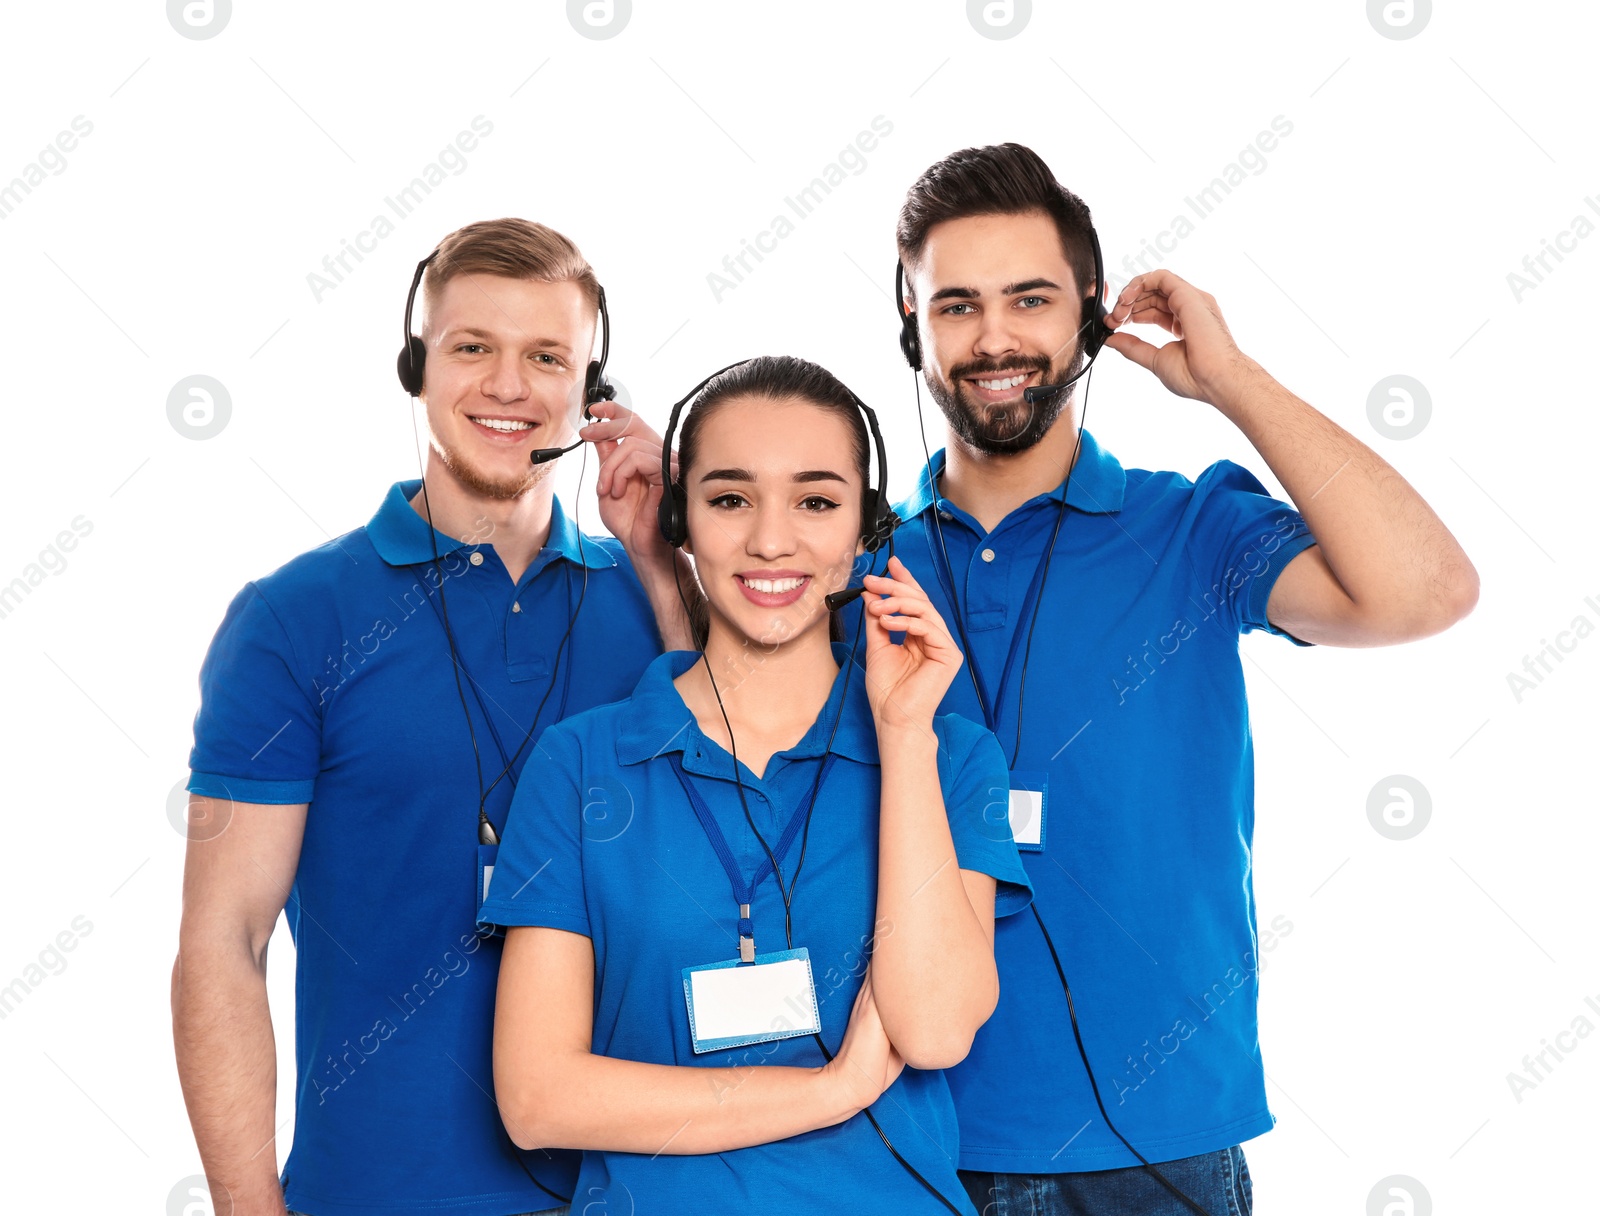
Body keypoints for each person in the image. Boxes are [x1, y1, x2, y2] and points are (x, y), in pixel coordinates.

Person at [881, 145, 1479, 1215]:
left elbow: (1425, 591)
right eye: (956, 305)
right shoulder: (849, 563)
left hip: (1158, 1151)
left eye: (1031, 298)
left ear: (1093, 319)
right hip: (909, 1135)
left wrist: (1229, 383)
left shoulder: (1193, 524)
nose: (994, 337)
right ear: (910, 329)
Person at [172, 217, 694, 1216]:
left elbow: (724, 843)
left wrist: (666, 569)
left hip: (634, 1192)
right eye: (472, 348)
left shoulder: (659, 604)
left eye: (546, 356)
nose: (507, 386)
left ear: (592, 394)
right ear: (416, 366)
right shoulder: (293, 618)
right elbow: (223, 940)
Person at [478, 355, 1033, 1215]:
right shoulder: (579, 762)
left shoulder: (949, 755)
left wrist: (903, 734)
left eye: (816, 501)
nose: (772, 540)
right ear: (683, 522)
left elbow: (934, 1027)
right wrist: (830, 1092)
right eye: (731, 498)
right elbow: (536, 1098)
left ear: (864, 533)